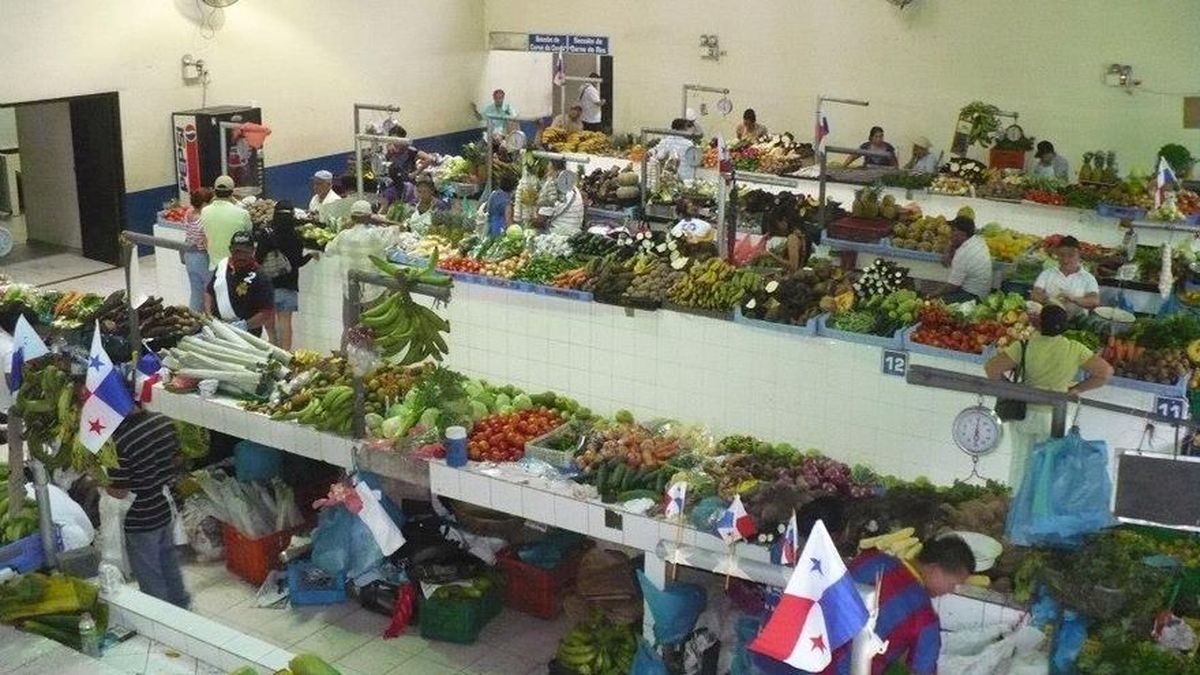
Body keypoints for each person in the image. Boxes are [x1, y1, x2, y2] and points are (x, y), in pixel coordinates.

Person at [985, 304, 1113, 486]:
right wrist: (1076, 389)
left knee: (1020, 464)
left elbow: (992, 369)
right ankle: (1040, 509)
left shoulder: (1024, 345)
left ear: (1040, 324)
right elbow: (1105, 373)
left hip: (1024, 414)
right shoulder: (1074, 348)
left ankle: (1016, 507)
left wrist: (1012, 390)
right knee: (1049, 469)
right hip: (1055, 417)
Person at [828, 535, 976, 675]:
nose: (950, 591)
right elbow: (922, 671)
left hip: (811, 655)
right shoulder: (924, 617)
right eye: (953, 584)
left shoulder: (870, 559)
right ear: (935, 570)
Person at [108, 404, 189, 608]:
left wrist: (99, 480)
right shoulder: (163, 421)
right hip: (163, 506)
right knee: (169, 562)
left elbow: (120, 491)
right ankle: (182, 608)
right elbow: (178, 458)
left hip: (140, 517)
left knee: (150, 573)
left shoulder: (120, 442)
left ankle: (161, 618)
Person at [257, 201, 312, 350]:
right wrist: (310, 257)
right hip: (289, 285)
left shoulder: (266, 233)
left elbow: (258, 258)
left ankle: (273, 344)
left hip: (268, 286)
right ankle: (286, 355)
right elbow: (298, 262)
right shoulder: (297, 236)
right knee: (285, 322)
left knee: (268, 318)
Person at [205, 231, 274, 336]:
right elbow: (209, 291)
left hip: (247, 336)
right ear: (230, 250)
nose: (241, 256)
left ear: (253, 251)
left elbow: (266, 312)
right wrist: (208, 314)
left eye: (246, 252)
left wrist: (244, 326)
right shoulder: (222, 266)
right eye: (237, 251)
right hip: (217, 330)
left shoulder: (261, 276)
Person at [1031, 235, 1100, 316]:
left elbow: (1094, 301)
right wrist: (1049, 300)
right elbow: (1035, 294)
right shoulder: (1047, 274)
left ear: (1079, 255)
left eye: (1071, 256)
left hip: (1077, 322)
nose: (1065, 260)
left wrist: (1074, 299)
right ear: (1057, 254)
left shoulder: (1088, 278)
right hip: (1049, 318)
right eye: (1062, 255)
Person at [931, 216, 992, 302]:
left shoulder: (963, 254)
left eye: (953, 230)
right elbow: (947, 258)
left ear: (963, 234)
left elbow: (952, 286)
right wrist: (949, 247)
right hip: (982, 292)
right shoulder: (979, 240)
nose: (950, 233)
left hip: (972, 296)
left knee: (935, 303)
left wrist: (933, 294)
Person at [199, 175, 252, 271]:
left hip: (215, 267)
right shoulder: (242, 213)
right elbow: (249, 232)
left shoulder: (205, 211)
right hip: (235, 268)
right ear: (232, 192)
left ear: (214, 191)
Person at [181, 187, 214, 313]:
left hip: (189, 256)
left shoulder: (188, 214)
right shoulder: (203, 220)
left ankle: (193, 319)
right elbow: (206, 243)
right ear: (205, 204)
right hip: (202, 258)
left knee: (195, 292)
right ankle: (210, 320)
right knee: (208, 291)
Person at [763, 199, 809, 272]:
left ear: (784, 220)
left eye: (777, 222)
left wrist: (771, 255)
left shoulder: (793, 238)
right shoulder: (800, 233)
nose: (777, 226)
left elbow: (793, 266)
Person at [539, 164, 585, 235]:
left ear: (552, 168)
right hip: (575, 233)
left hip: (559, 235)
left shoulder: (553, 188)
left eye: (548, 169)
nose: (547, 173)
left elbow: (540, 220)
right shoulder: (573, 187)